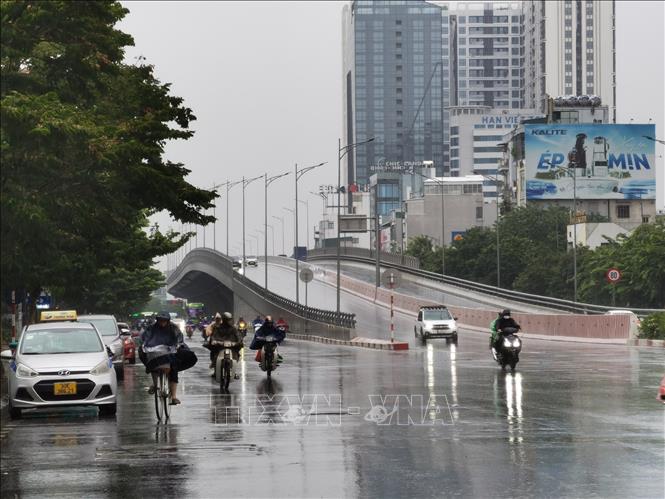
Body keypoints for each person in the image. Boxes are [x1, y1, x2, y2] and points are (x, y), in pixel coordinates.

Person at [141, 311, 197, 405]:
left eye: (164, 321)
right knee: (150, 363)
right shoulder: (151, 328)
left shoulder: (174, 327)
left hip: (171, 351)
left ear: (168, 321)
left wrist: (178, 345)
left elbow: (179, 338)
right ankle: (155, 385)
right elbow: (145, 337)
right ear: (157, 320)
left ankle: (174, 397)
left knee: (173, 369)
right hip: (155, 352)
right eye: (160, 320)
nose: (162, 322)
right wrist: (145, 345)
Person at [206, 312, 243, 378]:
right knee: (214, 354)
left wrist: (239, 341)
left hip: (231, 346)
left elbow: (238, 336)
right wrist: (214, 341)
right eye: (226, 320)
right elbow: (213, 335)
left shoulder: (233, 328)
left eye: (229, 320)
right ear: (223, 320)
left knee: (236, 355)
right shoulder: (217, 327)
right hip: (220, 346)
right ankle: (215, 371)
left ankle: (233, 371)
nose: (228, 321)